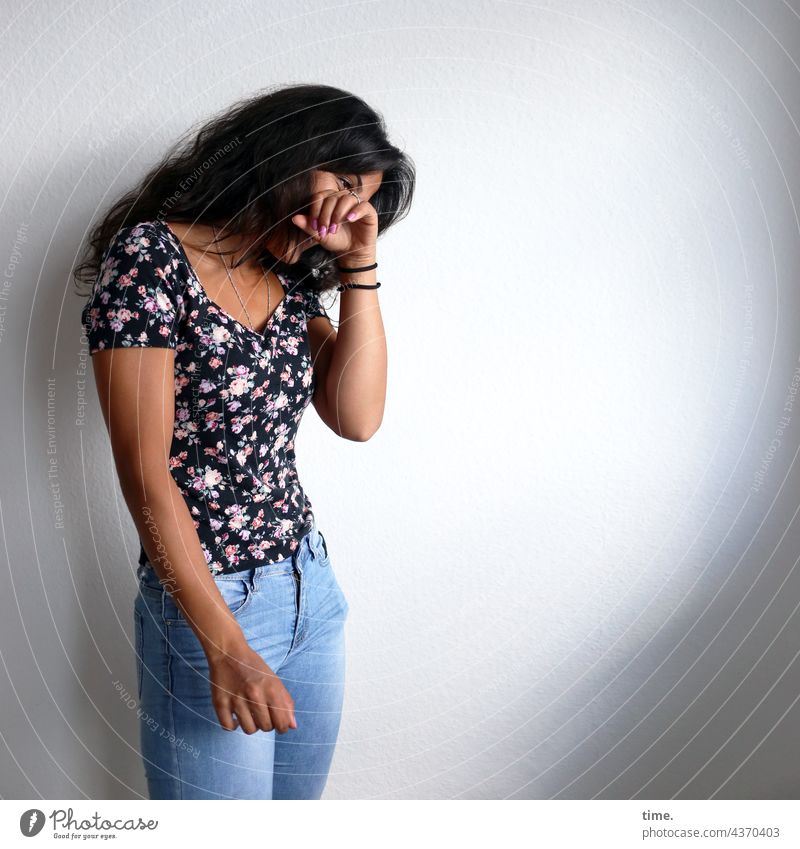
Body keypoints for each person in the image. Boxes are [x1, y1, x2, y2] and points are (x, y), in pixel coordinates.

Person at [74, 83, 415, 799]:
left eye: (367, 201)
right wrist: (226, 645)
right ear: (285, 155)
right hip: (211, 603)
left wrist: (358, 264)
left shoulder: (288, 279)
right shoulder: (151, 261)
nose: (352, 210)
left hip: (309, 589)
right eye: (345, 185)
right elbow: (146, 476)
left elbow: (357, 417)